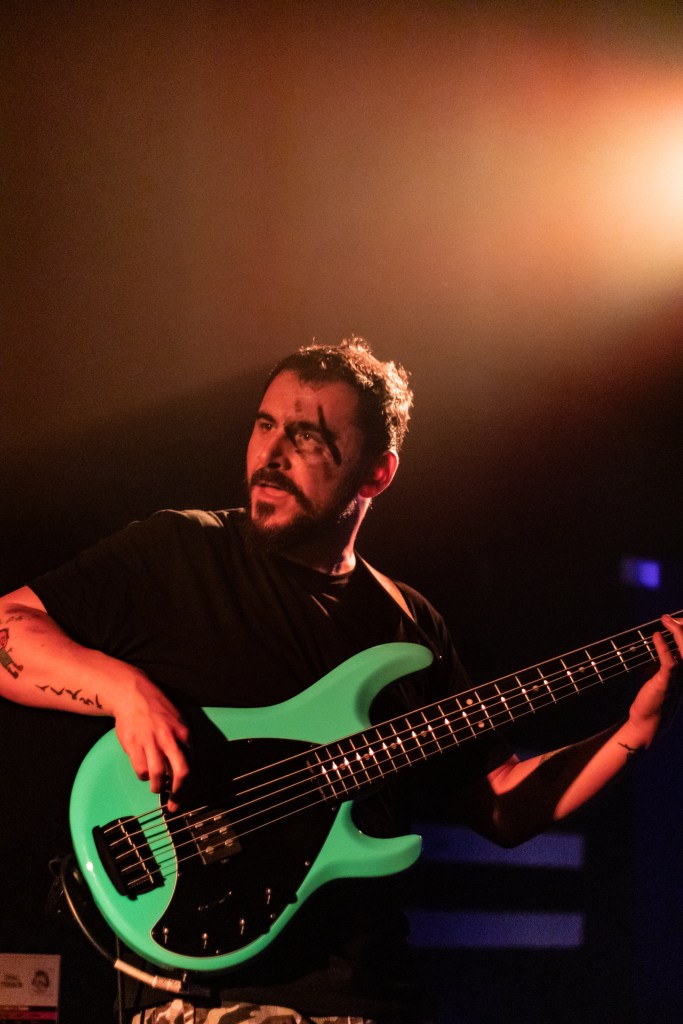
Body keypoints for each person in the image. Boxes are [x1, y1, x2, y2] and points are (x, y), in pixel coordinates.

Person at [0, 337, 680, 1024]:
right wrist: (125, 691)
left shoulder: (408, 623)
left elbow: (502, 805)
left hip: (376, 995)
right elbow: (9, 626)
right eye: (264, 424)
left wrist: (636, 730)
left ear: (376, 473)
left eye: (308, 438)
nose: (271, 453)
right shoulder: (180, 552)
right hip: (223, 998)